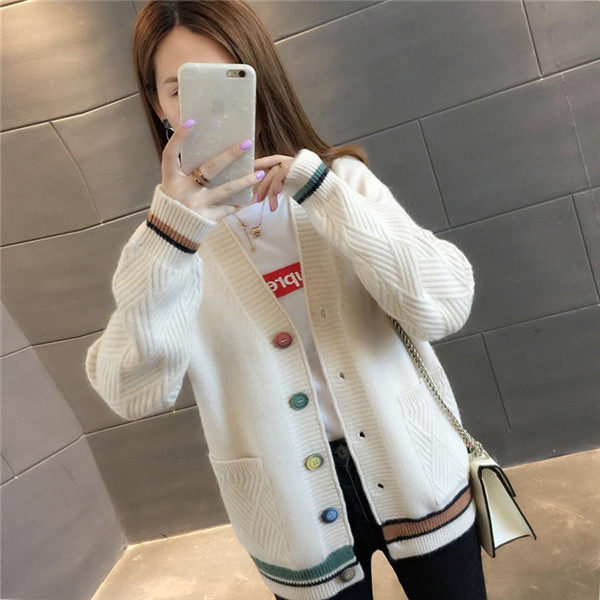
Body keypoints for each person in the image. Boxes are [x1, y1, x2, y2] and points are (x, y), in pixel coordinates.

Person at [85, 1, 488, 599]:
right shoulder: (167, 247)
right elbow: (129, 391)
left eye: (229, 78)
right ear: (159, 105)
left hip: (417, 468)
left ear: (260, 76)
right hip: (291, 511)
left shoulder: (342, 185)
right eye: (181, 89)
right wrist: (171, 239)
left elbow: (446, 305)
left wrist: (324, 194)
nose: (207, 106)